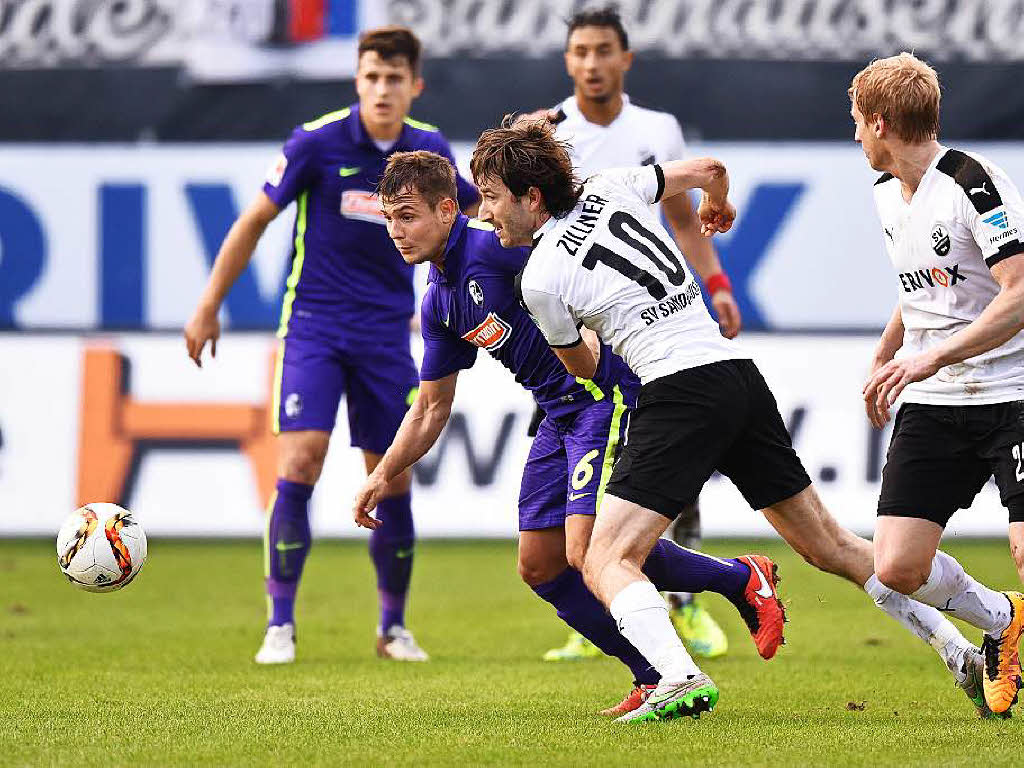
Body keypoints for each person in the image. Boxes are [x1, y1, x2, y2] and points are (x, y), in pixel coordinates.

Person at [470, 117, 1007, 722]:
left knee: (603, 558)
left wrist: (602, 324)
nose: (486, 215)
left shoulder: (539, 280)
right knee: (830, 546)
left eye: (491, 198)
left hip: (678, 390)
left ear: (530, 196)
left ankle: (677, 676)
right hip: (738, 378)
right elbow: (709, 172)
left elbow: (587, 369)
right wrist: (717, 208)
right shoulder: (612, 184)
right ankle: (978, 639)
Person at [352, 149, 786, 718]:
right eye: (388, 218)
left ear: (445, 208)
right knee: (540, 564)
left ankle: (679, 670)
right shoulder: (439, 300)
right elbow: (432, 407)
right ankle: (697, 622)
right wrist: (384, 473)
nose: (395, 232)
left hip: (607, 400)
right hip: (559, 415)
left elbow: (576, 260)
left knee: (589, 551)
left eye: (406, 216)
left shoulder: (496, 248)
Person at [183, 27, 478, 665]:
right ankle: (280, 625)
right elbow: (254, 221)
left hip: (388, 334)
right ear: (357, 80)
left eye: (394, 79)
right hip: (313, 326)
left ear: (414, 86)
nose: (381, 89)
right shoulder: (316, 142)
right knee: (301, 463)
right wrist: (209, 304)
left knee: (390, 478)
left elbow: (481, 214)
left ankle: (393, 627)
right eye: (371, 77)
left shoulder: (427, 151)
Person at [532, 4, 739, 663]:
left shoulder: (657, 129)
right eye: (581, 52)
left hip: (661, 320)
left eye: (603, 51)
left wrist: (717, 283)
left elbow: (683, 218)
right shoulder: (545, 135)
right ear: (568, 62)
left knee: (682, 462)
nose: (591, 63)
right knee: (591, 460)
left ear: (625, 59)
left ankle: (689, 605)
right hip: (587, 326)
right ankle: (599, 602)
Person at [853, 52, 1024, 716]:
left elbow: (1016, 294)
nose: (856, 137)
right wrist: (886, 357)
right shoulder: (883, 196)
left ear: (881, 122)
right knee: (896, 567)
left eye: (858, 123)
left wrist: (928, 358)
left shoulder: (974, 184)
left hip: (1011, 394)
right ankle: (1002, 621)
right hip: (934, 403)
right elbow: (923, 290)